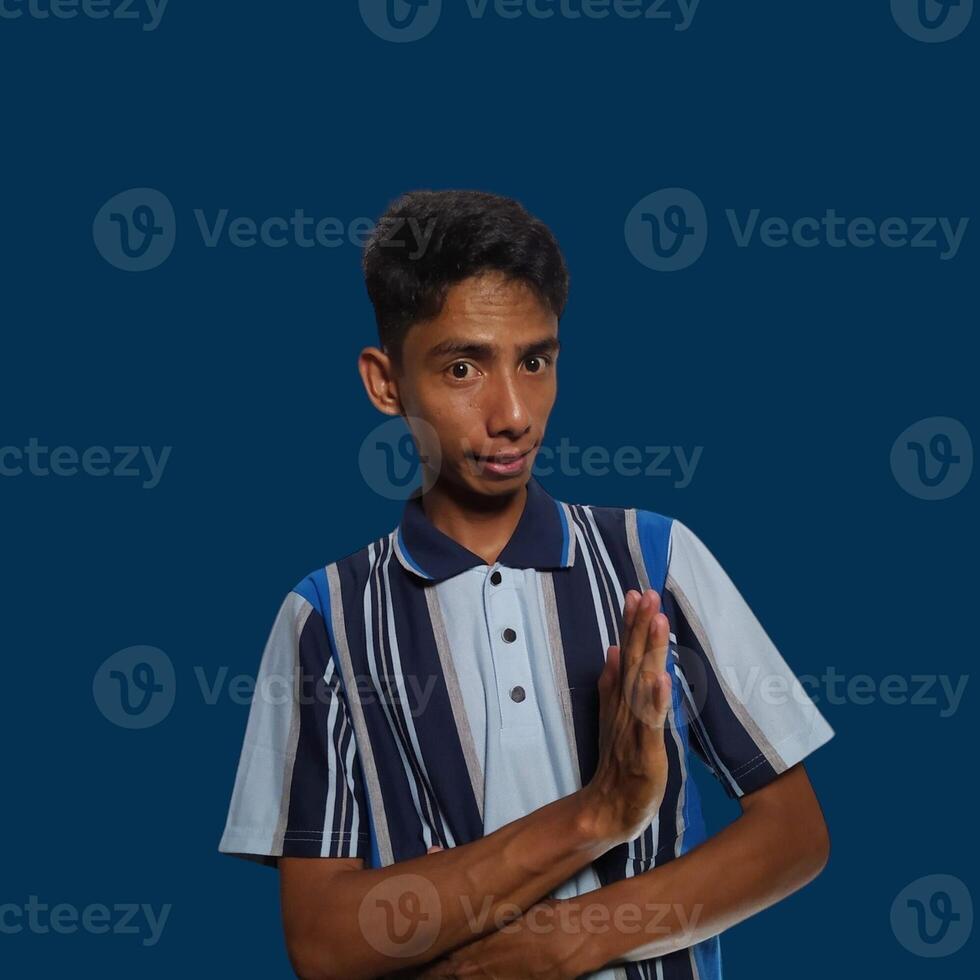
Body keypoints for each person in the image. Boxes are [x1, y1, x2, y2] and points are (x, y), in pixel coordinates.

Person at [217, 189, 835, 980]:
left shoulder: (657, 559)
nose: (512, 413)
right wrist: (593, 815)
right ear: (385, 383)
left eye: (535, 361)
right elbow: (323, 941)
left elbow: (794, 835)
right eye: (464, 367)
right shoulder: (326, 616)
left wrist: (572, 938)